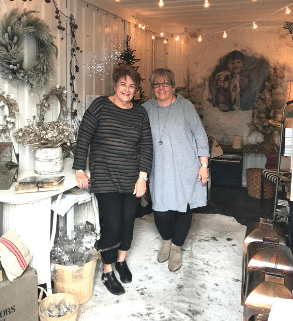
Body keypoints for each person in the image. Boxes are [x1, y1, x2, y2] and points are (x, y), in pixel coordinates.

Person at [73, 65, 153, 296]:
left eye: (132, 86)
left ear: (136, 89)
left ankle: (121, 261)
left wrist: (142, 177)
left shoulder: (139, 113)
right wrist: (80, 169)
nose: (127, 90)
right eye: (123, 84)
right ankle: (107, 271)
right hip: (105, 175)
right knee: (113, 224)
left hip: (131, 177)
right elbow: (84, 137)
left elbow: (146, 146)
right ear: (115, 85)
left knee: (129, 221)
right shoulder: (100, 105)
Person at [143, 68, 210, 271]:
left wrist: (204, 165)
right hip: (160, 168)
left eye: (165, 84)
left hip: (186, 167)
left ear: (173, 85)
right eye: (157, 84)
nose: (161, 88)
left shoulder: (185, 106)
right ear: (153, 87)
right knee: (161, 209)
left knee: (183, 207)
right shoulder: (145, 109)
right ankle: (166, 239)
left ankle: (176, 246)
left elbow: (200, 135)